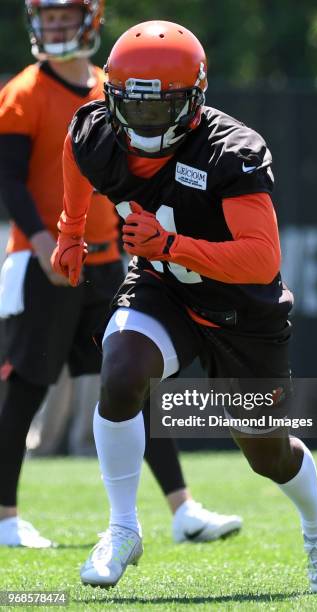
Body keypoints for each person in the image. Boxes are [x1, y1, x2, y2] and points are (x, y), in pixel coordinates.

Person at [52, 19, 317, 593]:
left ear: (193, 101)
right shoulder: (95, 130)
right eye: (132, 109)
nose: (142, 125)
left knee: (266, 453)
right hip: (164, 288)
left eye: (158, 110)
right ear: (112, 97)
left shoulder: (230, 150)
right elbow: (74, 146)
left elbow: (261, 260)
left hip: (241, 312)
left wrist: (168, 245)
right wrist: (69, 230)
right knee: (121, 371)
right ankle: (122, 528)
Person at [0, 1, 242, 549]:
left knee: (135, 382)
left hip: (111, 259)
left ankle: (182, 509)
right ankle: (4, 517)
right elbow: (10, 181)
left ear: (90, 21)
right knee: (27, 385)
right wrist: (46, 243)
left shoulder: (122, 82)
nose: (56, 28)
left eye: (66, 18)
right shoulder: (21, 93)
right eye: (50, 19)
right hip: (48, 263)